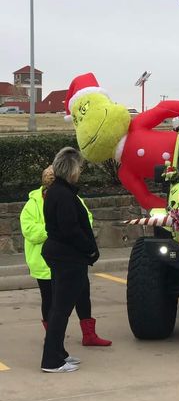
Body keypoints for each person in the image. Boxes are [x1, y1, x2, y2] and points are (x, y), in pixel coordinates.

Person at [20, 164, 111, 349]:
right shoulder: (32, 204)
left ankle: (89, 335)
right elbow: (29, 231)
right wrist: (55, 230)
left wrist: (66, 230)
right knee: (51, 302)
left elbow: (86, 219)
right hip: (44, 264)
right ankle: (53, 340)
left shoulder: (72, 198)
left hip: (73, 259)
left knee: (82, 296)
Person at [40, 147, 109, 373]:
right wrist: (90, 250)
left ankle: (59, 353)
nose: (80, 171)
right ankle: (52, 360)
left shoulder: (57, 192)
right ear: (71, 170)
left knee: (60, 307)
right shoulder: (63, 195)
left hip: (62, 255)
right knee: (60, 309)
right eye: (78, 167)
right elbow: (70, 229)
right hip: (67, 257)